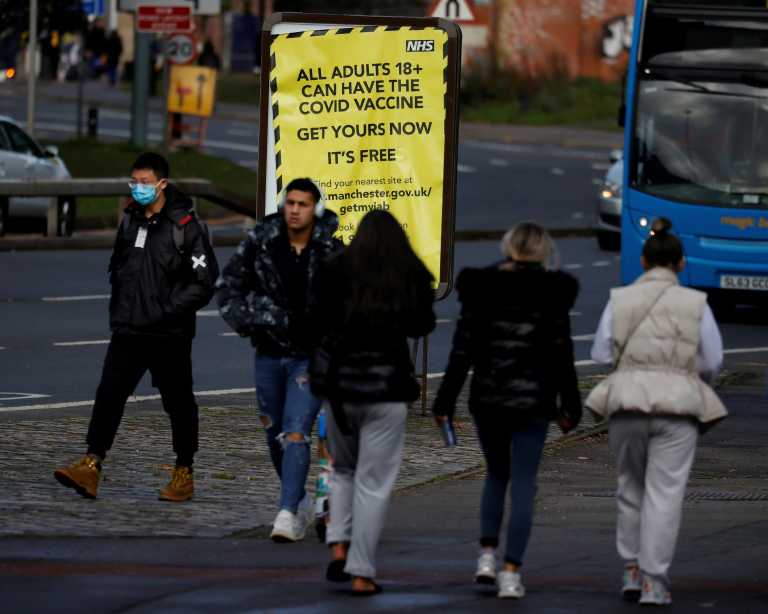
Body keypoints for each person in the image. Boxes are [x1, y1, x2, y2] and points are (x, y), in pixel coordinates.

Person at [54, 152, 219, 502]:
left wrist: (165, 310)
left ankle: (184, 471)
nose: (138, 188)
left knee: (178, 403)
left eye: (144, 182)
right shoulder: (130, 221)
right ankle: (92, 463)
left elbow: (203, 283)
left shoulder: (186, 226)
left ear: (162, 184)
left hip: (168, 334)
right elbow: (121, 270)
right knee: (108, 395)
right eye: (134, 181)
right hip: (128, 330)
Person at [433, 222, 581, 600]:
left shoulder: (481, 287)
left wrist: (444, 402)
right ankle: (511, 571)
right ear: (543, 250)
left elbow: (461, 352)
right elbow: (562, 354)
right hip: (534, 400)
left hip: (489, 398)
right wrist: (571, 405)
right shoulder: (554, 292)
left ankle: (486, 555)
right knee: (525, 484)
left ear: (508, 246)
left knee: (496, 475)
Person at [586, 217, 727, 606]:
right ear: (681, 263)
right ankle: (654, 580)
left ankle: (630, 568)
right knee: (665, 493)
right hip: (678, 407)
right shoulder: (696, 304)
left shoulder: (620, 299)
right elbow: (712, 359)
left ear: (644, 262)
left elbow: (600, 352)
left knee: (629, 486)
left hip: (628, 401)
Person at [312, 210, 436, 595]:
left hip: (341, 388)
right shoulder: (405, 276)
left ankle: (337, 544)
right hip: (387, 389)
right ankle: (362, 569)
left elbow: (316, 323)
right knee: (374, 483)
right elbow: (423, 325)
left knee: (343, 469)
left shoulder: (334, 271)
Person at [216, 178, 343, 543]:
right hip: (269, 352)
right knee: (274, 434)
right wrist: (252, 320)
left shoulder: (331, 251)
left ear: (315, 209)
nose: (294, 209)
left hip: (310, 358)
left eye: (303, 203)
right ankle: (299, 498)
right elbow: (229, 287)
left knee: (296, 430)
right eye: (290, 202)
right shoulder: (262, 243)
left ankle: (286, 513)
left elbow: (347, 301)